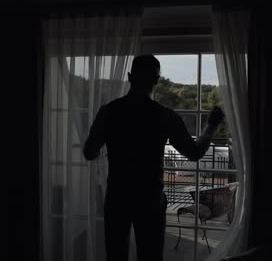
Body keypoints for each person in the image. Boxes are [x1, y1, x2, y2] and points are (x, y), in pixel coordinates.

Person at [83, 54, 224, 261]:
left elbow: (89, 152)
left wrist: (107, 148)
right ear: (156, 81)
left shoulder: (109, 111)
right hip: (149, 199)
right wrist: (211, 126)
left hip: (118, 196)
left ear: (130, 77)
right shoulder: (164, 115)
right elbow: (194, 153)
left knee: (115, 255)